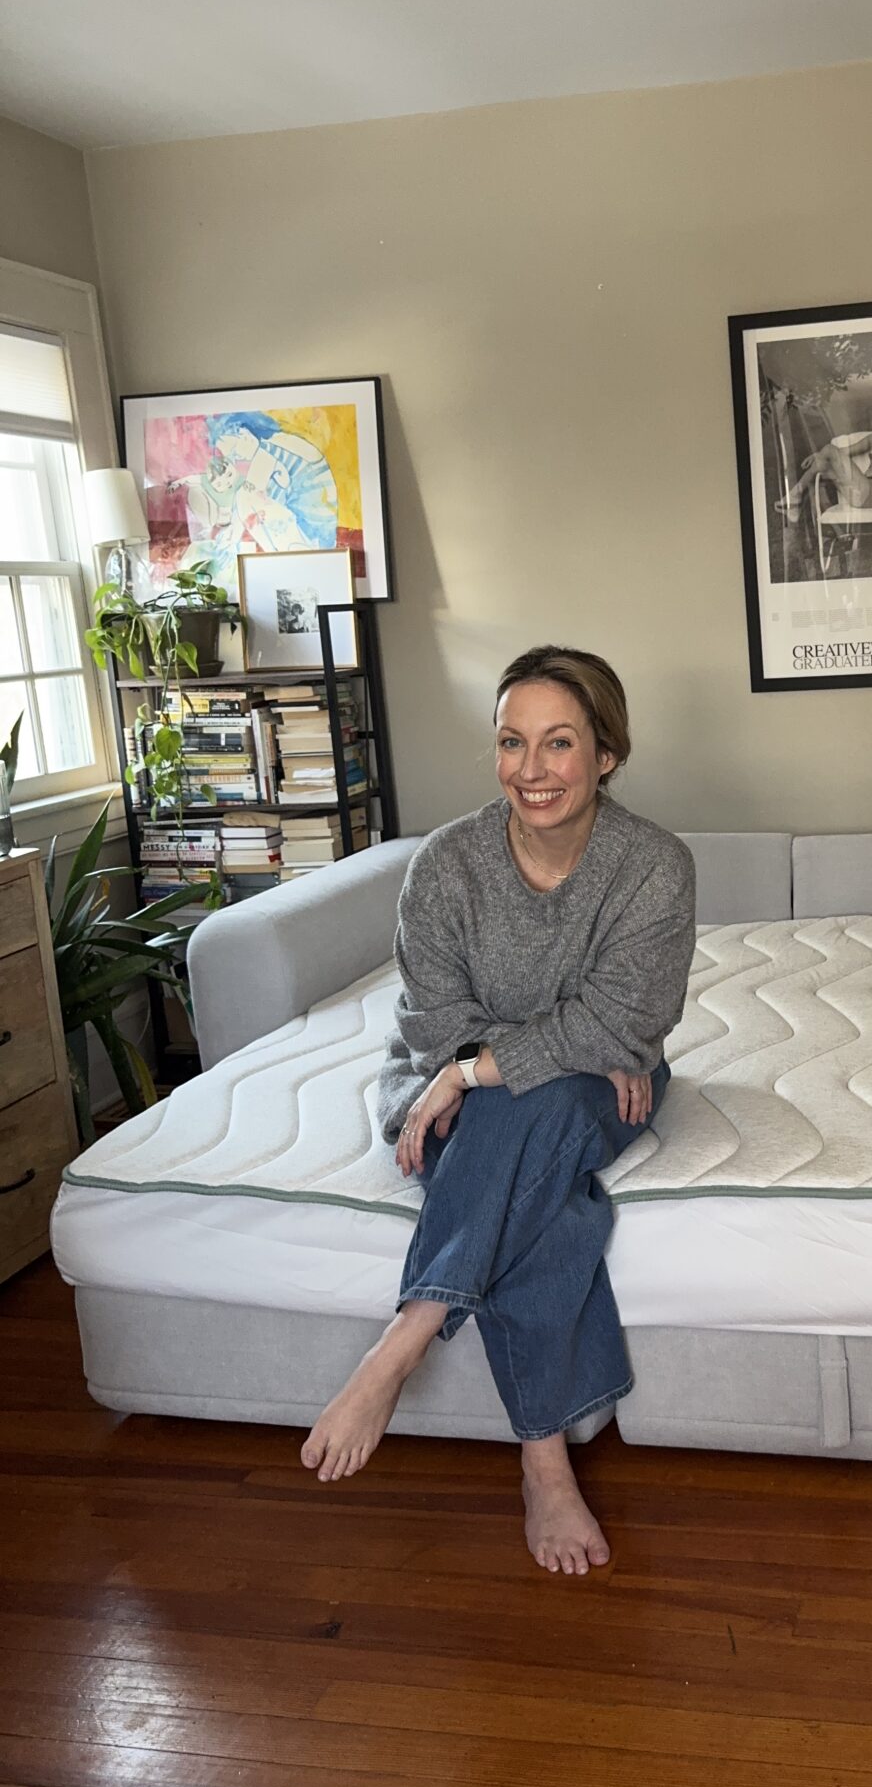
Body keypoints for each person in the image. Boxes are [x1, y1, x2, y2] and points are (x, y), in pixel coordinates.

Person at [299, 646, 696, 1576]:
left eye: (559, 743)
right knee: (542, 1171)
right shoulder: (446, 865)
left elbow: (623, 1016)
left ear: (605, 753)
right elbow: (432, 1018)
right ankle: (545, 1462)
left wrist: (481, 1074)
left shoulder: (654, 868)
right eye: (512, 742)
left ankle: (406, 1337)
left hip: (592, 1080)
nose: (531, 769)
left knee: (538, 1108)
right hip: (449, 1076)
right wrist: (502, 1061)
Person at [775, 391, 872, 523]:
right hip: (859, 493)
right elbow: (844, 451)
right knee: (821, 464)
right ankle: (796, 504)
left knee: (829, 451)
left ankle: (795, 497)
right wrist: (819, 455)